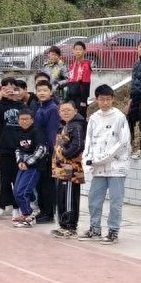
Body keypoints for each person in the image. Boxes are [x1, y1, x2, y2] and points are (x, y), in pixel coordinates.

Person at [80, 84, 131, 243]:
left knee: (115, 201)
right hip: (98, 168)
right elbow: (88, 141)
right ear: (97, 100)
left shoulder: (120, 117)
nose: (105, 103)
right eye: (102, 99)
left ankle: (113, 231)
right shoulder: (94, 118)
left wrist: (104, 158)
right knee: (94, 199)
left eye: (108, 99)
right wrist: (87, 161)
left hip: (116, 168)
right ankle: (95, 228)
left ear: (113, 100)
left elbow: (123, 143)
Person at [51, 98, 87, 237]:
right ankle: (63, 224)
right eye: (62, 110)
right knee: (62, 196)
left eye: (68, 110)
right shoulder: (65, 125)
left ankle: (70, 225)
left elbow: (78, 145)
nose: (65, 113)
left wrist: (65, 154)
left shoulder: (76, 125)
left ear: (75, 111)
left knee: (69, 198)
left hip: (71, 169)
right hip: (62, 169)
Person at [0, 78, 24, 220]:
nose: (9, 90)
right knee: (3, 180)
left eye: (12, 87)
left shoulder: (21, 106)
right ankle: (3, 206)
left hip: (19, 150)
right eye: (6, 87)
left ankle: (17, 208)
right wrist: (3, 100)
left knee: (17, 180)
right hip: (4, 149)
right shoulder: (1, 106)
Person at [11, 109, 48, 228]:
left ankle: (29, 216)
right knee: (16, 191)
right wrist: (20, 161)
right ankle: (29, 210)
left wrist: (28, 163)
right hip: (22, 166)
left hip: (34, 167)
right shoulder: (18, 132)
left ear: (32, 120)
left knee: (23, 192)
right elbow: (18, 149)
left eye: (27, 119)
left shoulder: (37, 132)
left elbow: (41, 150)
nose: (24, 121)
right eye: (22, 119)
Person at [32, 81, 61, 224]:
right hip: (40, 151)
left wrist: (51, 151)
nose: (42, 93)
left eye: (45, 90)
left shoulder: (52, 109)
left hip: (48, 152)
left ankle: (48, 213)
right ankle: (43, 211)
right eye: (39, 90)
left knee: (47, 184)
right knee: (40, 183)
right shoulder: (40, 108)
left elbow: (52, 132)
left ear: (51, 92)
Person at [66, 41, 92, 115]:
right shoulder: (72, 65)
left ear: (84, 51)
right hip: (71, 95)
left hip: (80, 96)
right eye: (76, 49)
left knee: (80, 116)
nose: (77, 51)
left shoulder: (86, 65)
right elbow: (69, 80)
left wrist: (83, 101)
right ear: (73, 50)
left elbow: (86, 83)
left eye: (80, 49)